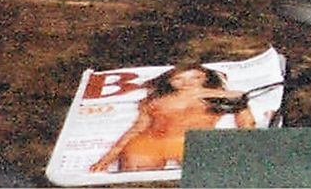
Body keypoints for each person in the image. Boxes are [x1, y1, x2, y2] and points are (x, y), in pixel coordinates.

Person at [88, 63, 258, 174]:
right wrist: (107, 158)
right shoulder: (154, 101)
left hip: (195, 142)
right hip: (150, 142)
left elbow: (247, 123)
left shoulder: (229, 96)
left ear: (206, 78)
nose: (187, 83)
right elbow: (136, 129)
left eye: (195, 77)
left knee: (212, 177)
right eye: (178, 78)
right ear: (168, 82)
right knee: (135, 177)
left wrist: (247, 147)